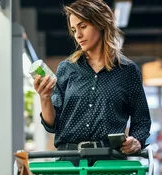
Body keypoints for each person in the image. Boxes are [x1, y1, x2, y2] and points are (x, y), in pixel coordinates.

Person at [33, 0, 151, 166]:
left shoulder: (127, 71)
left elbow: (142, 120)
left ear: (100, 24)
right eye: (74, 30)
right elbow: (52, 125)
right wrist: (44, 97)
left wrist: (136, 141)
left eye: (83, 26)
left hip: (110, 160)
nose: (77, 35)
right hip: (69, 160)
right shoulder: (67, 69)